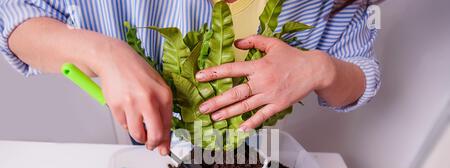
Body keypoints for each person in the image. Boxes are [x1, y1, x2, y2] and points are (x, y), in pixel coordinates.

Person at [0, 0, 380, 155]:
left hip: (241, 149)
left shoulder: (327, 6)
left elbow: (359, 75)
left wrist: (320, 68)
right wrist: (103, 53)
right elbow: (15, 20)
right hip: (154, 143)